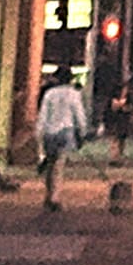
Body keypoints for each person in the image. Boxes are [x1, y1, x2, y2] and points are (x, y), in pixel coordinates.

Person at [36, 69, 89, 211]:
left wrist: (39, 133)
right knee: (59, 165)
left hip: (49, 132)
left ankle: (48, 195)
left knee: (50, 164)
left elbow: (43, 115)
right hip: (65, 131)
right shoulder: (73, 94)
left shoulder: (50, 93)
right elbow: (79, 114)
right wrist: (82, 131)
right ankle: (55, 198)